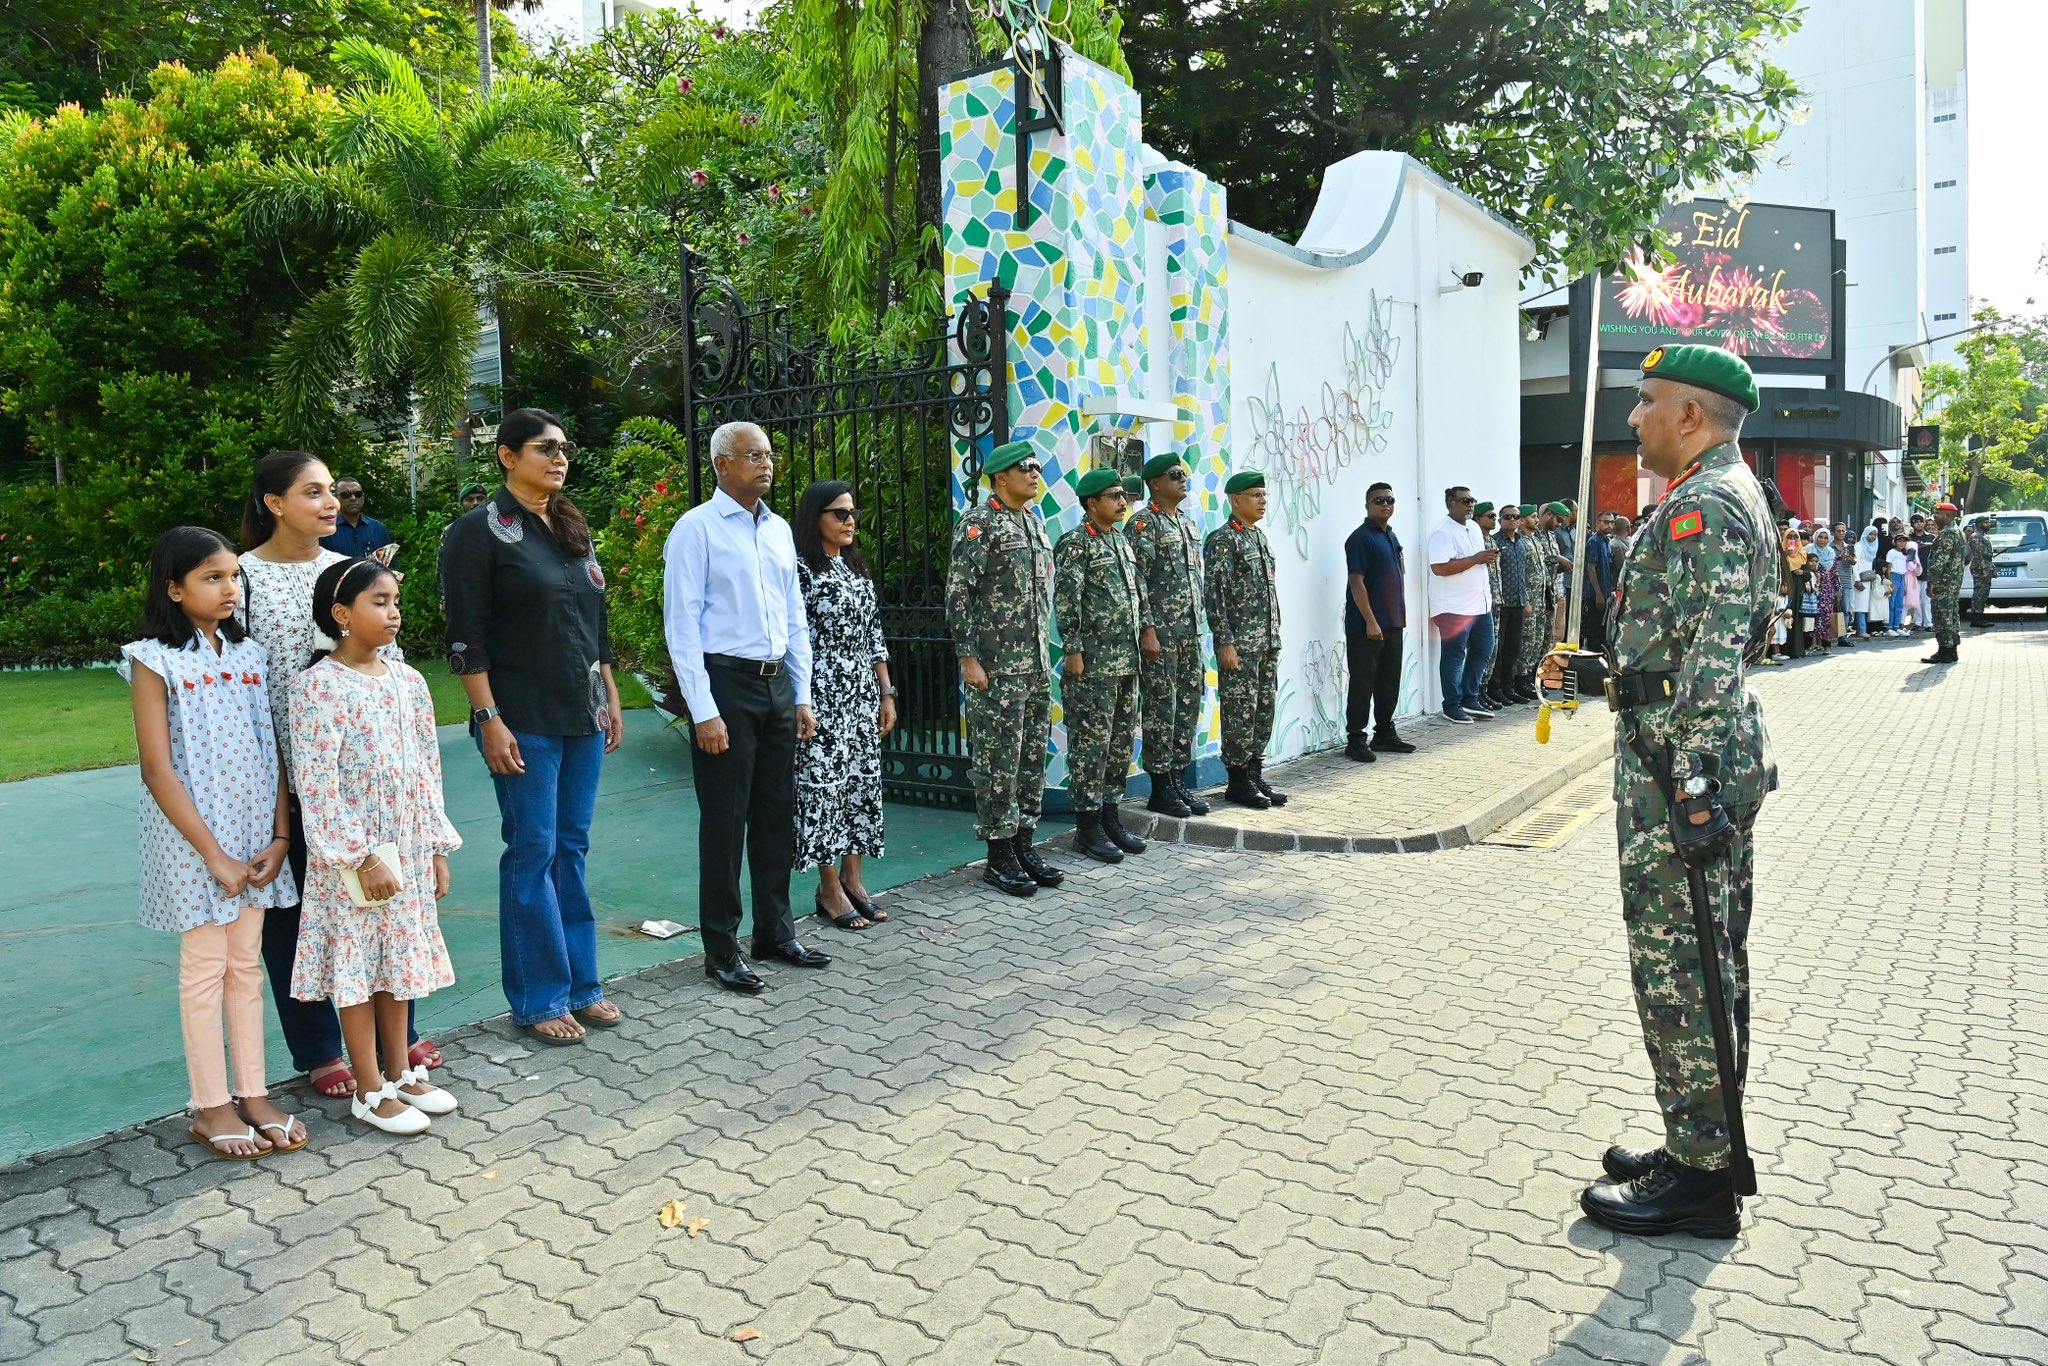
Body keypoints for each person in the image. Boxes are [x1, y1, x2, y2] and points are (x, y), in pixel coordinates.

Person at [1551, 343, 1778, 1239]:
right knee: (1696, 962)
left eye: (1646, 403)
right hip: (1676, 757)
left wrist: (1688, 785)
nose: (1634, 419)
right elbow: (1674, 652)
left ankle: (1703, 1182)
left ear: (1691, 414)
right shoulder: (1706, 496)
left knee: (1685, 968)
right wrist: (1598, 673)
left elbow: (1713, 669)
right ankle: (1697, 1140)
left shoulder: (1707, 507)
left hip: (1680, 772)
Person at [238, 451, 437, 1097]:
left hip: (364, 774)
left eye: (332, 492)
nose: (329, 503)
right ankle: (321, 1049)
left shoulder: (347, 570)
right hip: (281, 774)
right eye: (312, 492)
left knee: (385, 905)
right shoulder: (240, 578)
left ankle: (393, 1049)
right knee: (297, 914)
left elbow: (390, 662)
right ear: (274, 502)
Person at [443, 408, 630, 1029]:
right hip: (522, 717)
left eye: (564, 447)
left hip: (581, 711)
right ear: (506, 455)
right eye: (544, 447)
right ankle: (538, 999)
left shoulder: (569, 525)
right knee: (533, 850)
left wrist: (607, 690)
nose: (559, 457)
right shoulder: (477, 532)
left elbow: (593, 619)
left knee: (570, 849)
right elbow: (466, 638)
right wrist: (488, 717)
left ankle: (581, 985)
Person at [124, 526, 304, 1161]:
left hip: (256, 838)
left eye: (234, 575)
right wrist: (213, 854)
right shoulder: (153, 660)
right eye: (211, 577)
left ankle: (253, 1093)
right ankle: (211, 1105)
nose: (230, 588)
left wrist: (281, 836)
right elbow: (157, 769)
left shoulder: (248, 655)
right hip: (196, 844)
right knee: (204, 971)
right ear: (174, 589)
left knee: (245, 970)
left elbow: (273, 746)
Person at [288, 558, 462, 1135]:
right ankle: (367, 1088)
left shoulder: (407, 681)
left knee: (398, 963)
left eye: (395, 602)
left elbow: (426, 769)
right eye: (379, 602)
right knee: (358, 969)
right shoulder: (318, 687)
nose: (394, 613)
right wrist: (360, 857)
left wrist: (435, 845)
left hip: (407, 847)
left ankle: (400, 1073)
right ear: (342, 615)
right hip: (355, 859)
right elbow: (317, 784)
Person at [661, 420, 826, 992]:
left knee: (777, 812)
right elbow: (681, 626)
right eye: (752, 455)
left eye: (769, 453)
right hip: (725, 683)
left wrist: (801, 693)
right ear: (721, 465)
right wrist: (702, 709)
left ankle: (776, 932)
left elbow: (793, 617)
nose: (766, 462)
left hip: (776, 682)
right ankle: (722, 948)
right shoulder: (696, 530)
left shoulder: (778, 530)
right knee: (727, 820)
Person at [946, 440, 1061, 896]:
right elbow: (959, 594)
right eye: (1024, 467)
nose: (1034, 473)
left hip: (1032, 664)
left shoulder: (1032, 522)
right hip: (995, 667)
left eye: (1035, 465)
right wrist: (968, 657)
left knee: (1032, 756)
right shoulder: (980, 523)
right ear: (1000, 478)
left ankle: (1024, 842)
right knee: (998, 761)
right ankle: (998, 852)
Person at [791, 482, 895, 932]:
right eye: (838, 514)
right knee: (823, 788)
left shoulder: (855, 568)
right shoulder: (800, 570)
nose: (849, 521)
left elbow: (874, 635)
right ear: (816, 519)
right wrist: (802, 699)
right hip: (822, 691)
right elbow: (795, 638)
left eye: (852, 512)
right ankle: (828, 887)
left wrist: (887, 692)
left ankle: (855, 879)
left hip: (862, 693)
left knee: (859, 783)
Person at [1055, 468, 1147, 862]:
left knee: (1118, 744)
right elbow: (1066, 599)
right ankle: (1087, 827)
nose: (1122, 501)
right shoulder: (1077, 543)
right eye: (1113, 496)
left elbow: (1134, 595)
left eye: (1123, 495)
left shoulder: (1120, 540)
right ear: (1092, 504)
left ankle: (1110, 816)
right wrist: (1073, 649)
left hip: (1126, 661)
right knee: (1091, 747)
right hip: (1092, 664)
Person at [1125, 453, 1209, 817]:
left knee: (1187, 707)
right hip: (1161, 635)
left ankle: (1176, 780)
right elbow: (1137, 582)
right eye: (1175, 475)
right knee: (1162, 709)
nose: (1182, 480)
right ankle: (1160, 787)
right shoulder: (1144, 525)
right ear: (1155, 483)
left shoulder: (1187, 524)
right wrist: (1147, 629)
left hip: (1189, 633)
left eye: (1184, 474)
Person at [1204, 471, 1286, 808]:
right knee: (1240, 711)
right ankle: (1237, 781)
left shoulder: (1259, 538)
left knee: (1263, 711)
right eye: (1255, 495)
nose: (1262, 501)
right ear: (1235, 500)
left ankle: (1254, 774)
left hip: (1265, 642)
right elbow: (1214, 593)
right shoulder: (1224, 540)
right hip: (1240, 644)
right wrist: (1224, 641)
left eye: (1264, 495)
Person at [1343, 482, 1416, 758]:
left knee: (1388, 682)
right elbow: (1356, 582)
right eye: (1378, 500)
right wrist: (1371, 621)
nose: (1385, 504)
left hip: (1393, 623)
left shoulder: (1391, 536)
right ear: (1367, 506)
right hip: (1366, 626)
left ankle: (1384, 733)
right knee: (1363, 683)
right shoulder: (1360, 538)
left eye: (1390, 500)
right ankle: (1355, 740)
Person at [1426, 485, 1498, 723]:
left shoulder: (1475, 528)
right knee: (1454, 655)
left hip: (1479, 605)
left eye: (1472, 500)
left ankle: (1470, 698)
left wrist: (1484, 559)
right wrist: (1477, 559)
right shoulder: (1442, 532)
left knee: (1484, 649)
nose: (1470, 505)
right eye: (1464, 501)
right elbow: (1439, 568)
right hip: (1453, 607)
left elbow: (1474, 562)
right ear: (1450, 503)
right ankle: (1451, 705)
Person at [1492, 501, 1535, 705]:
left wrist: (1525, 600)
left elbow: (1523, 575)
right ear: (1500, 520)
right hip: (1501, 603)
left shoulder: (1522, 542)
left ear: (1520, 520)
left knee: (1513, 648)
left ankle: (1509, 688)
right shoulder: (1495, 542)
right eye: (1506, 517)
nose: (1511, 520)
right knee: (1498, 650)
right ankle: (1495, 688)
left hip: (1518, 603)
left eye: (1515, 517)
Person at [1923, 502, 1965, 664]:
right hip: (1953, 581)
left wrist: (1932, 582)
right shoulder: (1958, 532)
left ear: (1947, 516)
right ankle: (1951, 649)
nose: (1934, 517)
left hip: (1944, 582)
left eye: (1937, 514)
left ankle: (1945, 650)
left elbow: (1940, 561)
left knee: (1943, 615)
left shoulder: (1947, 533)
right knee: (1952, 614)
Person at [1517, 507, 1552, 692]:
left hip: (1541, 598)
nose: (1537, 519)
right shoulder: (1521, 541)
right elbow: (1520, 574)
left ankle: (1532, 676)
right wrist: (1526, 600)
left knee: (1538, 640)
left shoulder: (1535, 540)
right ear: (1522, 521)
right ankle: (1521, 679)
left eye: (1537, 516)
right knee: (1527, 640)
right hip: (1529, 599)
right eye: (1533, 517)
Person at [320, 477, 394, 560]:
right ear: (335, 498)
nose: (353, 498)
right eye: (346, 495)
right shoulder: (325, 531)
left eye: (358, 494)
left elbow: (389, 564)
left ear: (363, 497)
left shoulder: (378, 528)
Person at [1808, 529, 1839, 652]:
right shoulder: (1808, 550)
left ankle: (1827, 646)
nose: (1822, 540)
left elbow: (1834, 573)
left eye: (1825, 538)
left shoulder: (1830, 553)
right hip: (1810, 589)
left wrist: (1838, 589)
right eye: (1820, 537)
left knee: (1825, 619)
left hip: (1826, 591)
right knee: (1809, 617)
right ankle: (1808, 645)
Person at [1849, 527, 1881, 639]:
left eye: (1874, 534)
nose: (1872, 537)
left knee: (1863, 605)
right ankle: (1861, 630)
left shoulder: (1874, 546)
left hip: (1868, 579)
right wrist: (1857, 579)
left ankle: (1860, 630)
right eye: (1870, 534)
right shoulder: (1859, 546)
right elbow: (1854, 564)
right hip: (1859, 579)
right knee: (1859, 606)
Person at [1966, 516, 1996, 628]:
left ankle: (1980, 616)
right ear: (1979, 524)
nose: (1988, 524)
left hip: (1986, 566)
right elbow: (1978, 554)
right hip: (1980, 568)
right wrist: (1983, 568)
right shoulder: (1976, 537)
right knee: (1979, 593)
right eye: (1986, 522)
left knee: (1984, 593)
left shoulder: (1983, 536)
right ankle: (1976, 619)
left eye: (1989, 522)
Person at [1883, 533, 1911, 635]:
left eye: (1904, 541)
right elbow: (1888, 569)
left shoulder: (1903, 554)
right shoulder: (1891, 552)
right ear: (1895, 542)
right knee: (1891, 603)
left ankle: (1896, 626)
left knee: (1899, 604)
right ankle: (1888, 627)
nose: (1902, 543)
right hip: (1894, 576)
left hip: (1902, 577)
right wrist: (1891, 583)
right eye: (1899, 541)